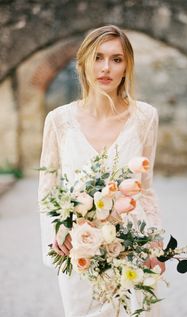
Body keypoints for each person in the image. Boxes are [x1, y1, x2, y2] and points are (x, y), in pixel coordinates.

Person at [38, 24, 164, 317]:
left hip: (134, 246)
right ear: (82, 63)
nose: (106, 67)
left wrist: (155, 243)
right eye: (98, 57)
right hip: (81, 250)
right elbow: (48, 188)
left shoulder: (145, 117)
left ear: (126, 66)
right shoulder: (59, 120)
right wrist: (58, 229)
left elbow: (145, 188)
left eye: (116, 59)